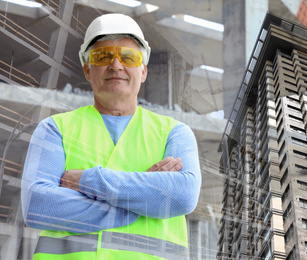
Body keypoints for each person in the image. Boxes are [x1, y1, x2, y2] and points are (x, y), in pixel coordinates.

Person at [21, 13, 201, 260]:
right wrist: (142, 199)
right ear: (87, 69)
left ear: (143, 71)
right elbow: (37, 206)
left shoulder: (174, 133)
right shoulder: (54, 129)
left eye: (128, 57)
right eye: (103, 56)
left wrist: (89, 180)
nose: (116, 65)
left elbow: (183, 196)